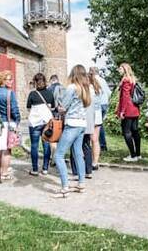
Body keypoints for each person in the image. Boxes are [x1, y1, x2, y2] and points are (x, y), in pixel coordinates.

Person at [54, 65, 91, 197]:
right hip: (82, 124)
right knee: (77, 153)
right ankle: (81, 183)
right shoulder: (85, 89)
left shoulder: (72, 87)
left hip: (72, 124)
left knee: (58, 155)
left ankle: (65, 187)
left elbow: (63, 107)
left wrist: (58, 106)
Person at [0, 70, 20, 182]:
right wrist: (17, 120)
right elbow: (14, 110)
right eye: (9, 79)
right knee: (7, 149)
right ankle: (3, 173)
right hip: (7, 123)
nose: (11, 81)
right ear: (3, 80)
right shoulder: (10, 93)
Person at [26, 73, 54, 176]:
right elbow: (53, 107)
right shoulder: (50, 93)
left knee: (34, 145)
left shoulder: (32, 94)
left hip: (34, 122)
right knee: (46, 144)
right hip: (47, 122)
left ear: (35, 82)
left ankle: (34, 169)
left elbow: (28, 107)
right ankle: (45, 168)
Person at [115, 63, 141, 162]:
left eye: (120, 68)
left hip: (128, 109)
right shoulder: (133, 79)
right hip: (135, 108)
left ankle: (133, 155)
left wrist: (122, 111)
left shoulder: (125, 80)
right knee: (135, 131)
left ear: (125, 69)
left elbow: (125, 97)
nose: (118, 70)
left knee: (126, 132)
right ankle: (138, 154)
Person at [70, 80, 95, 178]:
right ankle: (88, 170)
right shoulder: (91, 92)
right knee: (86, 146)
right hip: (88, 122)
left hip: (78, 121)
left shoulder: (76, 92)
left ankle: (76, 171)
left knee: (74, 146)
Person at [89, 67, 111, 153]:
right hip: (104, 104)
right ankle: (100, 144)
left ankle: (102, 145)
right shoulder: (103, 80)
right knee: (100, 125)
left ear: (92, 72)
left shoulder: (93, 80)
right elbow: (109, 92)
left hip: (98, 105)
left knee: (98, 125)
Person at [88, 68, 105, 169]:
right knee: (95, 140)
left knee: (85, 140)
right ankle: (95, 162)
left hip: (90, 114)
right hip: (97, 115)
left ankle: (87, 160)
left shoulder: (88, 89)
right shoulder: (98, 88)